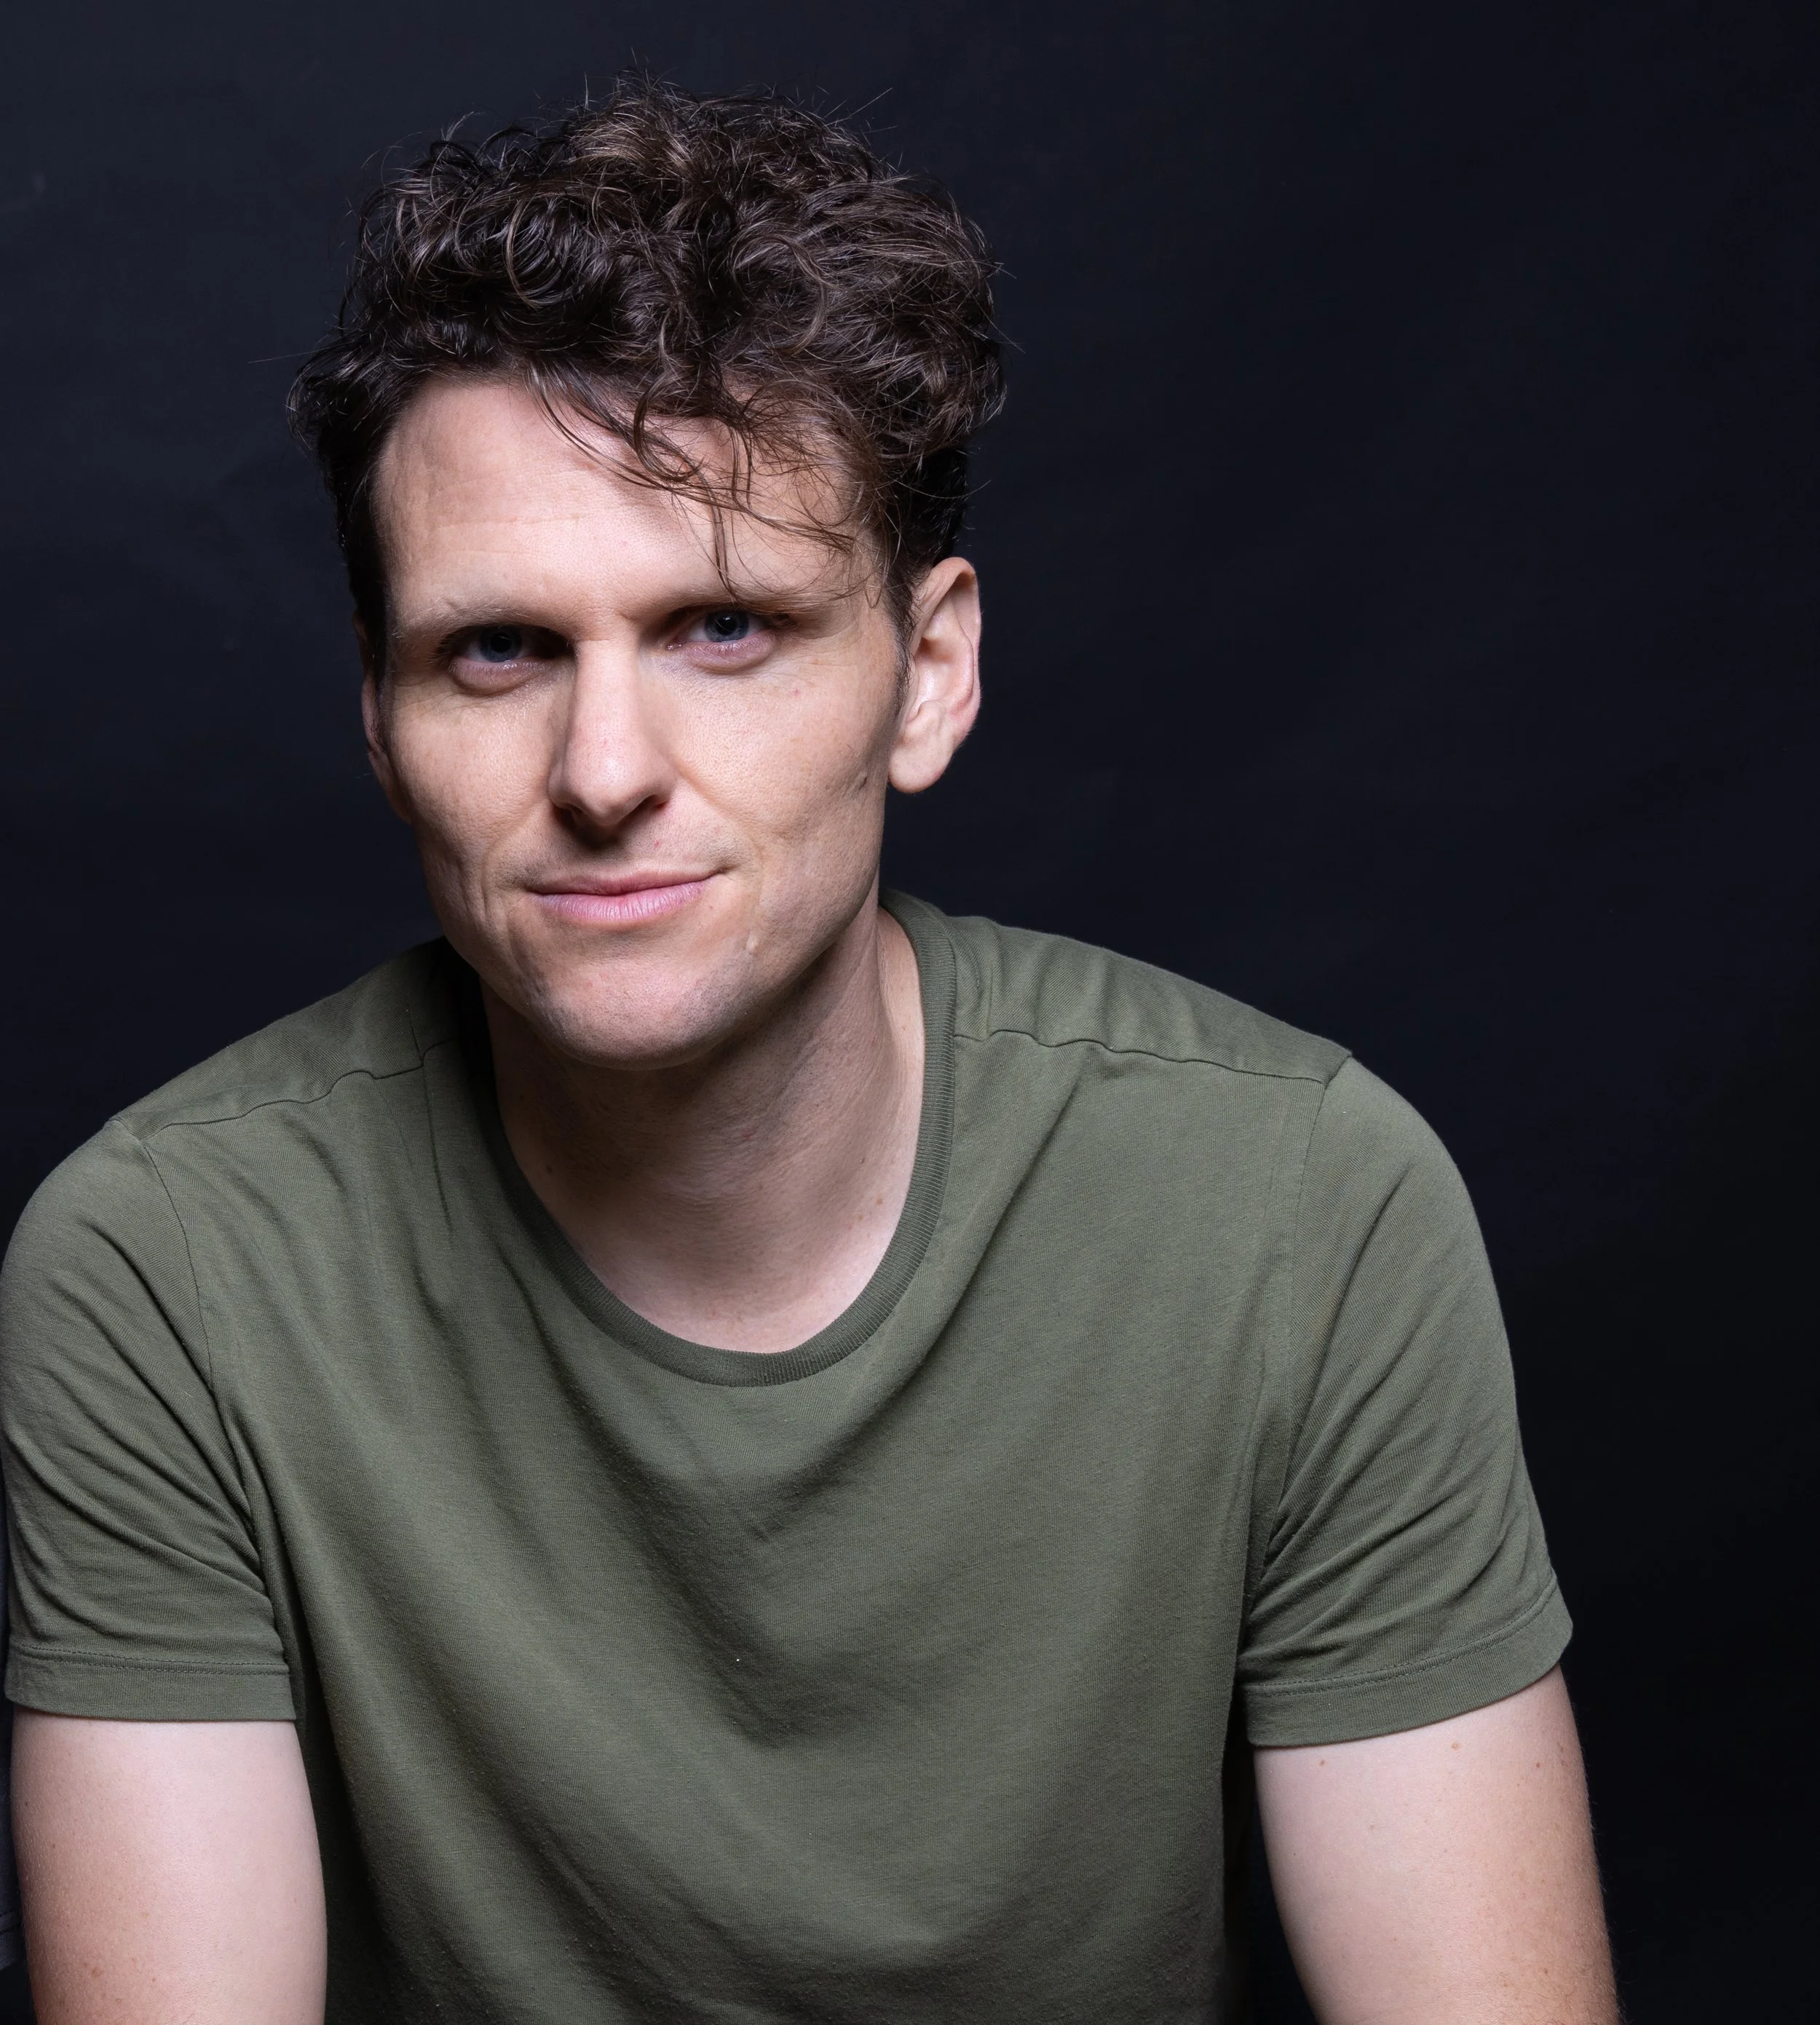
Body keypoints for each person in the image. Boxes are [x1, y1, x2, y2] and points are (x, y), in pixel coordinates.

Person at [0, 79, 1618, 2025]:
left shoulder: (1302, 1209)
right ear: (378, 714)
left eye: (723, 627)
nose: (604, 772)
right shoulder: (167, 1271)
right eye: (497, 650)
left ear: (926, 674)